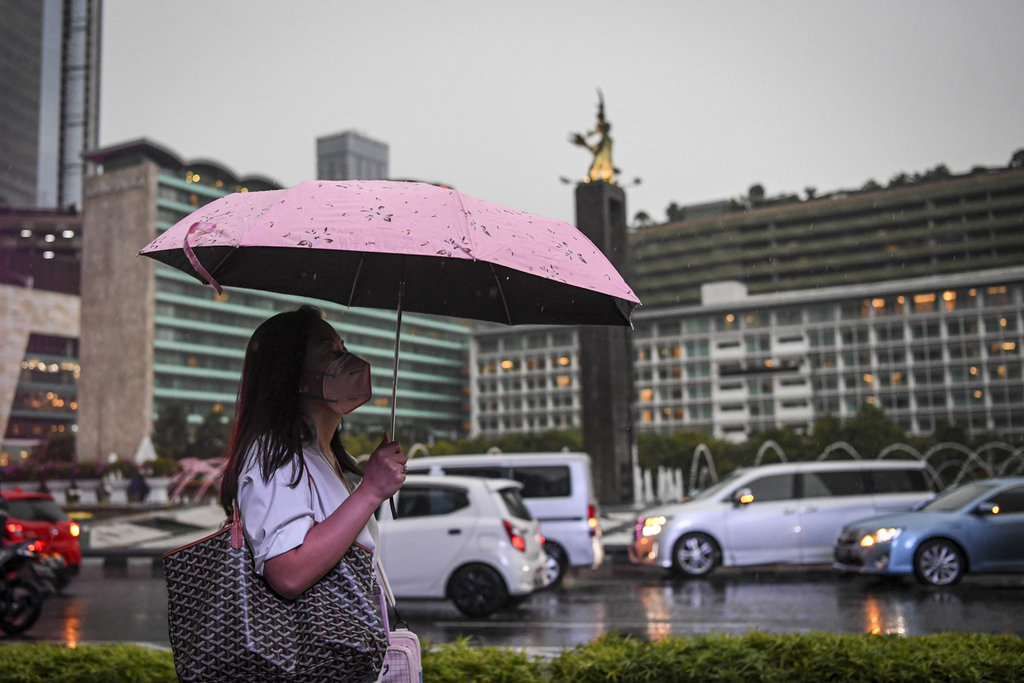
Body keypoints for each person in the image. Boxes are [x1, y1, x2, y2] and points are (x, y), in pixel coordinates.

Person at [217, 305, 407, 674]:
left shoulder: (326, 457)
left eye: (343, 347)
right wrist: (370, 492)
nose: (347, 360)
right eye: (331, 351)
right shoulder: (275, 455)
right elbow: (287, 571)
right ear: (291, 372)